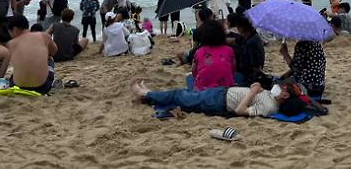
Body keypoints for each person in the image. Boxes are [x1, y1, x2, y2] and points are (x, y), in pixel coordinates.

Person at [131, 79, 305, 118]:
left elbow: (240, 111)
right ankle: (150, 94)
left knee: (180, 95)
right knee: (184, 94)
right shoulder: (273, 97)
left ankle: (145, 94)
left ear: (285, 95)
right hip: (221, 93)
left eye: (282, 88)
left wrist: (252, 92)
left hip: (218, 101)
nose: (279, 87)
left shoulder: (270, 107)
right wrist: (254, 87)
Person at [7, 15, 58, 95]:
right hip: (42, 88)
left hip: (18, 87)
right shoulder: (44, 36)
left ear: (15, 29)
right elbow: (54, 51)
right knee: (50, 58)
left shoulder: (10, 44)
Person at [191, 20, 236, 91]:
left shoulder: (198, 52)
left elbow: (194, 72)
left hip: (203, 90)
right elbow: (233, 69)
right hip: (226, 89)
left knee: (189, 79)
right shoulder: (229, 50)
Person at [235, 15, 265, 86]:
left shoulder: (251, 43)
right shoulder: (251, 36)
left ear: (241, 28)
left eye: (238, 27)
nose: (237, 29)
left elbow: (256, 67)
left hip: (249, 77)